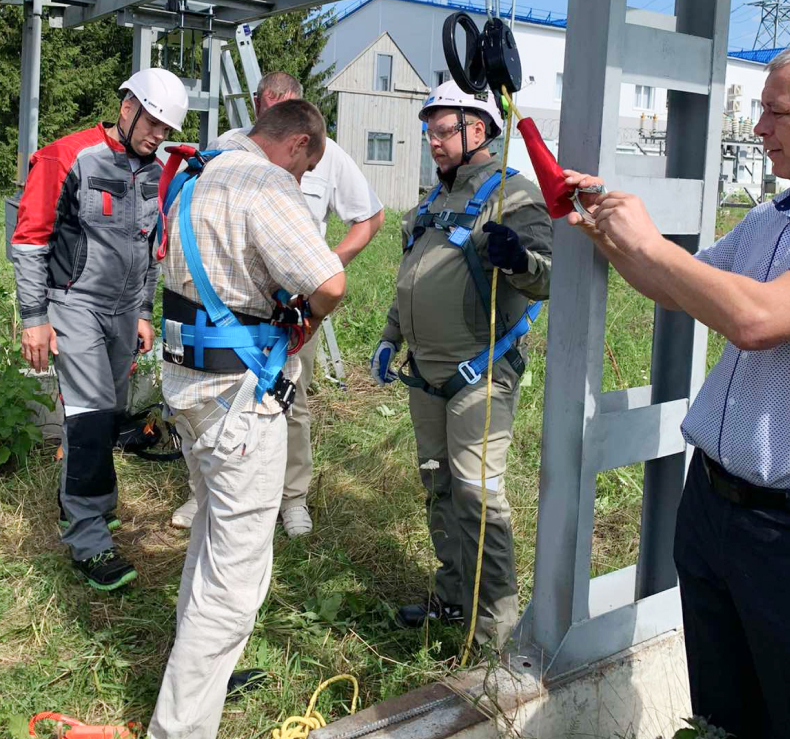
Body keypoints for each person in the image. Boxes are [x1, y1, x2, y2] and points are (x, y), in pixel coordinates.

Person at [565, 48, 790, 738]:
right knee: (723, 713)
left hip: (780, 532)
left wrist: (649, 245)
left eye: (775, 111)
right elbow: (683, 284)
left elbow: (755, 319)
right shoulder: (769, 219)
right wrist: (613, 227)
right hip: (715, 507)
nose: (758, 129)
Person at [147, 98, 345, 739]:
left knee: (208, 536)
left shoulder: (199, 169)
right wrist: (305, 317)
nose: (300, 180)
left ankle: (193, 674)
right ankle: (179, 728)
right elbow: (330, 281)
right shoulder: (264, 181)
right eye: (305, 168)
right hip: (238, 403)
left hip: (187, 388)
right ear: (295, 145)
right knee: (234, 579)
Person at [370, 80, 552, 648]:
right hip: (426, 373)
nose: (434, 141)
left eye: (444, 129)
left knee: (477, 495)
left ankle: (499, 630)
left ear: (480, 130)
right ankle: (454, 598)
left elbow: (550, 273)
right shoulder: (430, 202)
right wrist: (388, 336)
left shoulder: (512, 194)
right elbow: (411, 280)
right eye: (429, 130)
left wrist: (519, 259)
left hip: (480, 373)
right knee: (439, 486)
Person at [170, 70, 383, 538]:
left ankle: (292, 498)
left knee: (288, 401)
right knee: (212, 403)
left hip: (292, 310)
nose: (298, 174)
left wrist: (327, 264)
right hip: (222, 304)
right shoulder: (226, 148)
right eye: (267, 105)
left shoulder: (329, 156)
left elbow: (370, 216)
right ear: (260, 106)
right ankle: (203, 492)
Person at [10, 68, 189, 591]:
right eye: (153, 122)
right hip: (73, 304)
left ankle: (92, 502)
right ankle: (87, 537)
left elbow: (149, 248)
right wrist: (34, 319)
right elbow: (28, 239)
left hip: (122, 311)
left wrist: (143, 312)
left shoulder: (156, 172)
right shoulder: (67, 155)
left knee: (107, 412)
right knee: (88, 418)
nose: (158, 136)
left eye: (166, 129)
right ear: (127, 106)